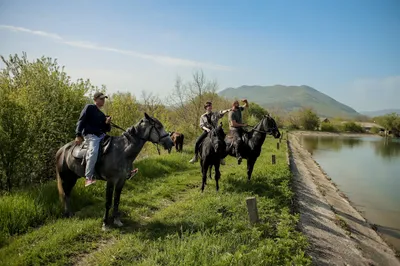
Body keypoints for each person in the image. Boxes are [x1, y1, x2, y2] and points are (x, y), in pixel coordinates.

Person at [75, 92, 112, 187]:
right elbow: (81, 120)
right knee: (93, 151)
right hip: (91, 136)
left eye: (104, 99)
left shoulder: (102, 114)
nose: (103, 101)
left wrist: (107, 123)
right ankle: (88, 178)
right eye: (101, 99)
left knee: (116, 145)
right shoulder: (89, 108)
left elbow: (106, 129)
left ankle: (126, 171)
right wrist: (78, 134)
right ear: (95, 99)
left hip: (101, 135)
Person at [228, 99, 249, 165]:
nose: (238, 104)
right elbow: (233, 124)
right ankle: (238, 155)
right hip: (233, 129)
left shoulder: (239, 109)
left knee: (249, 136)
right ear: (233, 105)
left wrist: (246, 102)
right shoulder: (231, 113)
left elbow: (246, 106)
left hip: (240, 128)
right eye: (237, 103)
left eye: (238, 103)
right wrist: (243, 125)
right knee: (239, 140)